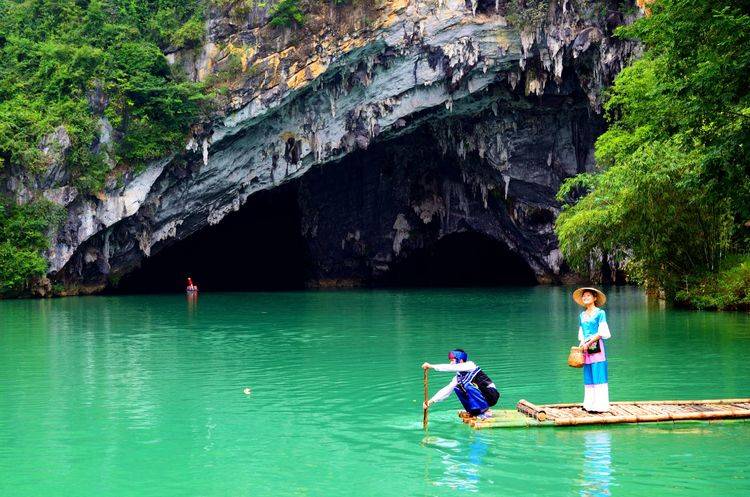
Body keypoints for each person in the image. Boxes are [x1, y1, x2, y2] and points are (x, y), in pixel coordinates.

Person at [422, 349, 500, 419]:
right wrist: (430, 402)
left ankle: (485, 410)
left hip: (491, 395)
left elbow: (450, 368)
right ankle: (474, 412)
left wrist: (431, 366)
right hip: (483, 396)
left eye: (452, 360)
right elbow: (447, 390)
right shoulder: (458, 377)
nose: (451, 363)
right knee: (457, 387)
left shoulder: (470, 365)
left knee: (468, 386)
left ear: (461, 361)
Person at [573, 287, 611, 413]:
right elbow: (581, 333)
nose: (585, 297)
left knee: (599, 374)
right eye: (584, 296)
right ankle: (589, 404)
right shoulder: (582, 315)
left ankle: (601, 406)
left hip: (597, 347)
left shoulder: (600, 313)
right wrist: (582, 344)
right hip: (585, 348)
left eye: (588, 295)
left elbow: (602, 332)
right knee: (588, 375)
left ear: (595, 298)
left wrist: (589, 342)